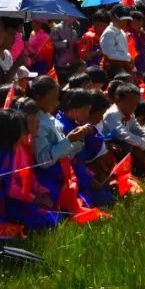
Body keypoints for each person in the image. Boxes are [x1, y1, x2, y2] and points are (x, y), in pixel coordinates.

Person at [0, 109, 60, 230]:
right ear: (11, 133)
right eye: (22, 132)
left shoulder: (10, 151)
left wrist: (40, 194)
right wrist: (34, 200)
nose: (24, 136)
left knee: (51, 220)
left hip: (6, 200)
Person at [29, 76, 93, 208]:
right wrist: (70, 140)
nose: (56, 103)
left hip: (63, 174)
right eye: (52, 98)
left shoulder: (48, 116)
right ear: (37, 97)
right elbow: (44, 160)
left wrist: (77, 140)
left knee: (89, 201)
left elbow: (64, 150)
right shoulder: (37, 122)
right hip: (48, 178)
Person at [99, 5, 133, 75]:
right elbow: (110, 54)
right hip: (113, 70)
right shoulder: (108, 33)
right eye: (122, 20)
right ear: (112, 17)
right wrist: (128, 57)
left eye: (126, 20)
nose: (124, 22)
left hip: (123, 68)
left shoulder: (122, 32)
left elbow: (124, 50)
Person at [49, 17, 80, 83]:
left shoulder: (74, 30)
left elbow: (75, 45)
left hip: (71, 62)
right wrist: (66, 43)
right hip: (60, 63)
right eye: (71, 16)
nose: (73, 19)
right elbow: (52, 44)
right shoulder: (56, 28)